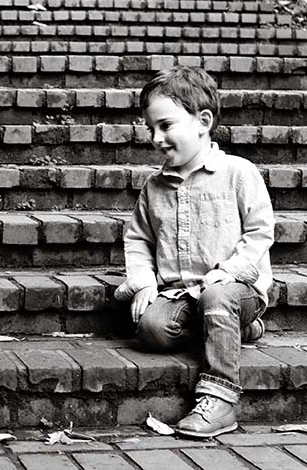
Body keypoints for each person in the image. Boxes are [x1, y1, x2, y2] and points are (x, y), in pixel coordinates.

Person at [114, 66, 275, 438]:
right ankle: (231, 330)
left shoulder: (238, 172)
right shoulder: (154, 186)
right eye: (150, 129)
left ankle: (220, 401)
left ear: (203, 121)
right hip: (183, 293)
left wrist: (229, 272)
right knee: (152, 329)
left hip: (235, 289)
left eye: (166, 125)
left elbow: (259, 232)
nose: (156, 138)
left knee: (218, 298)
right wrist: (143, 283)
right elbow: (138, 240)